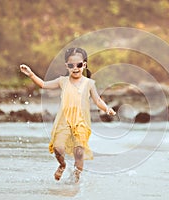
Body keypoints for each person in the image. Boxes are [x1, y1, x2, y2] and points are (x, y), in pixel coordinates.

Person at [19, 47, 116, 183]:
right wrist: (30, 74)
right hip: (64, 120)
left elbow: (98, 100)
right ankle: (62, 165)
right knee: (58, 148)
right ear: (67, 66)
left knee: (79, 152)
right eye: (71, 65)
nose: (75, 68)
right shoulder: (62, 81)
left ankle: (76, 178)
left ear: (84, 65)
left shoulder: (89, 83)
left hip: (81, 122)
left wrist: (107, 109)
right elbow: (43, 85)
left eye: (79, 65)